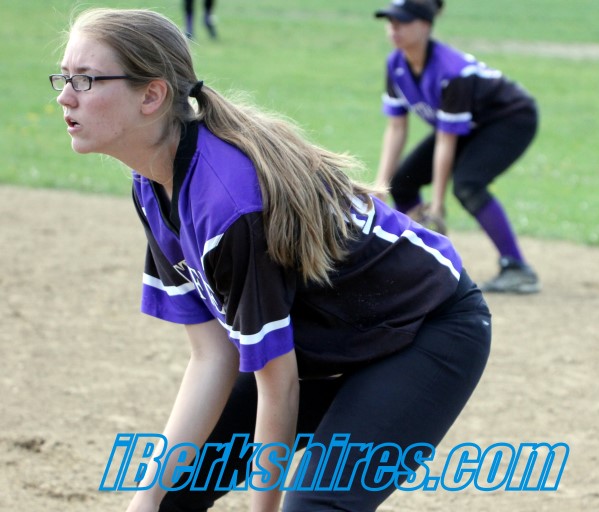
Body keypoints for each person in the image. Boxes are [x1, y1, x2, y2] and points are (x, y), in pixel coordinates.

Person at [50, 7, 491, 511]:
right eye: (64, 77)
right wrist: (146, 501)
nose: (65, 96)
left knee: (311, 506)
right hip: (332, 337)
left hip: (426, 328)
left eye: (85, 79)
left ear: (152, 96)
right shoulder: (154, 184)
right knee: (171, 494)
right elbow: (213, 355)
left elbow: (278, 388)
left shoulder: (229, 205)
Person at [374, 0, 541, 294]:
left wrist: (438, 205)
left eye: (403, 22)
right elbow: (396, 127)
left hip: (511, 118)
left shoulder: (452, 71)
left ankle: (517, 268)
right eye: (391, 22)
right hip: (468, 124)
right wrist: (380, 186)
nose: (394, 29)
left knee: (468, 185)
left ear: (426, 26)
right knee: (402, 183)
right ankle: (418, 259)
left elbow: (447, 139)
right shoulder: (396, 64)